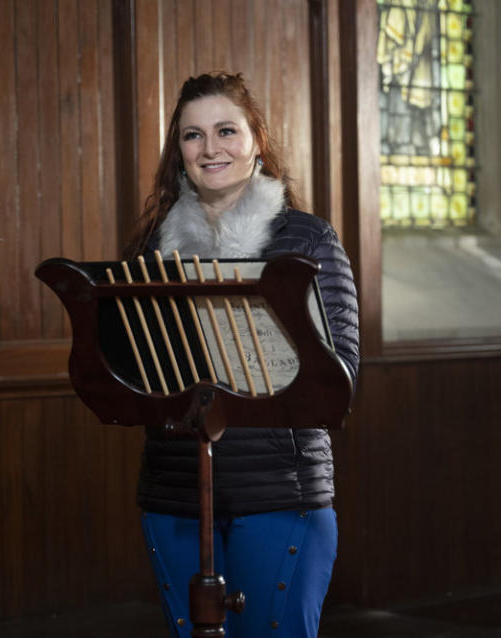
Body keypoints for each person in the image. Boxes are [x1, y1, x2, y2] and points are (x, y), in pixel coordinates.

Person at [124, 72, 360, 638]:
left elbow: (341, 375)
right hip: (175, 494)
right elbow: (134, 371)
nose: (210, 149)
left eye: (226, 130)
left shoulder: (307, 240)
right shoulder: (151, 250)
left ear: (256, 138)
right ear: (178, 152)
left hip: (280, 492)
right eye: (192, 135)